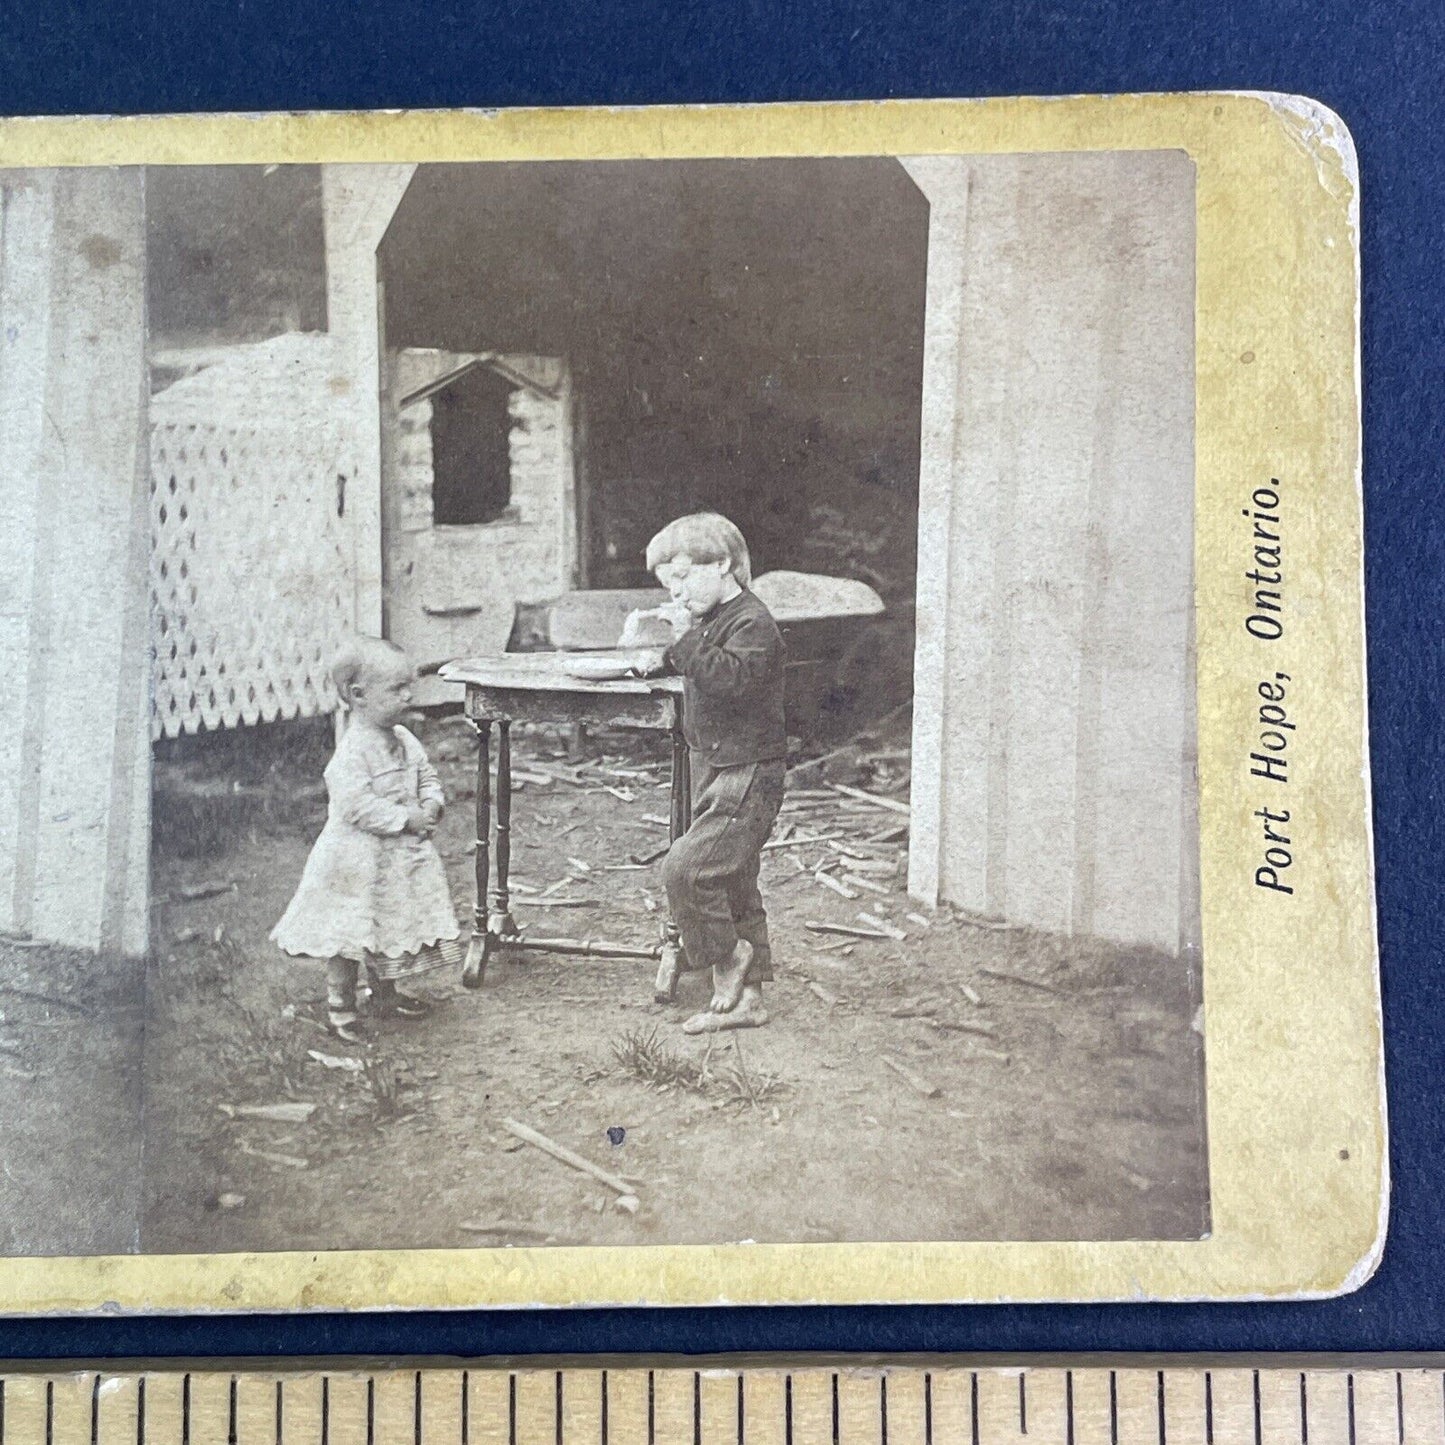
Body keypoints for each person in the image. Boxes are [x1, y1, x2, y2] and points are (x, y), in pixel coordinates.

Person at [623, 512, 787, 1033]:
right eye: (667, 580)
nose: (677, 590)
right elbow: (702, 660)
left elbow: (733, 679)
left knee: (686, 871)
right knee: (736, 881)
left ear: (723, 564)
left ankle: (730, 955)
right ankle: (750, 1001)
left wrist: (685, 640)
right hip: (714, 762)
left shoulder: (754, 622)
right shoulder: (714, 619)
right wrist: (664, 659)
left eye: (684, 575)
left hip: (748, 768)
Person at [271, 636, 460, 1042]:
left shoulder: (403, 738)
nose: (409, 696)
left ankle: (384, 995)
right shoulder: (353, 751)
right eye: (397, 689)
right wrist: (404, 819)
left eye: (409, 685)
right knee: (350, 934)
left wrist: (431, 802)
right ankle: (341, 1008)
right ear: (358, 695)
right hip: (356, 861)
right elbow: (354, 806)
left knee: (387, 927)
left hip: (395, 860)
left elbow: (425, 773)